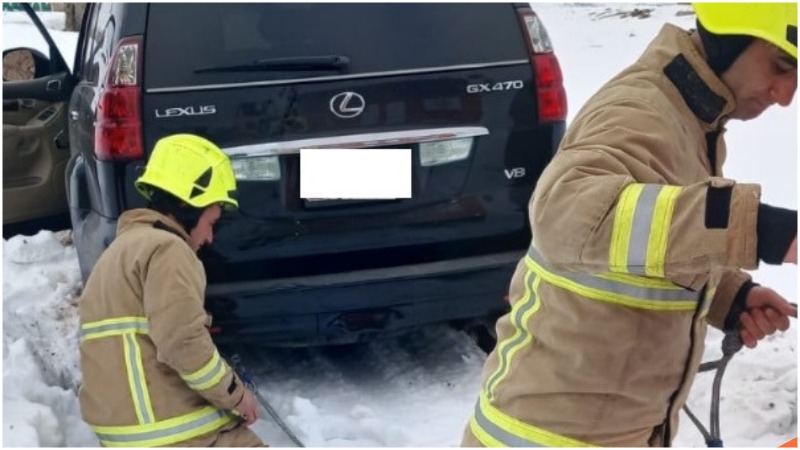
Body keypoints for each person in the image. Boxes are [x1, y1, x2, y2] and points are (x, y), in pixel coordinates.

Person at [462, 3, 797, 447]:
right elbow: (563, 217)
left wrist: (729, 295)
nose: (786, 94)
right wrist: (758, 227)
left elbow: (645, 239)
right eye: (781, 65)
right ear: (729, 38)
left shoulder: (689, 120)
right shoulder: (639, 111)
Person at [78, 134, 264, 447]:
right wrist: (235, 394)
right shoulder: (168, 249)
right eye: (211, 222)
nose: (209, 238)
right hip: (169, 427)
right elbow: (182, 341)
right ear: (188, 206)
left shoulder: (122, 249)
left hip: (126, 428)